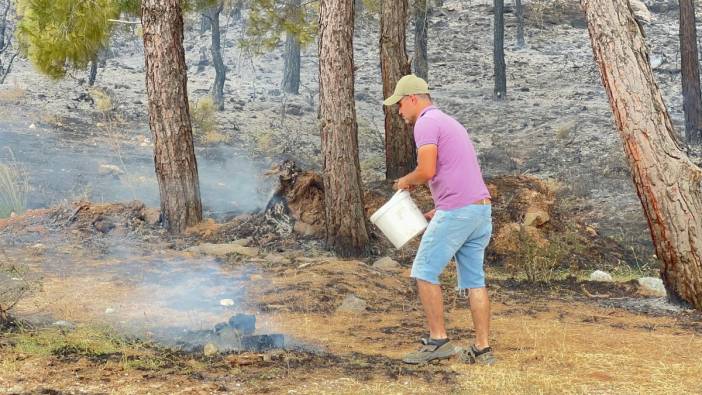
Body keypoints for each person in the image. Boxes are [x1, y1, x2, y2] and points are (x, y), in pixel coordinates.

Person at [383, 74, 496, 365]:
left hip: (459, 211)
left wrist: (404, 182)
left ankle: (438, 341)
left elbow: (427, 170)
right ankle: (482, 349)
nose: (398, 112)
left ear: (412, 99)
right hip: (479, 210)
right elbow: (459, 170)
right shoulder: (448, 121)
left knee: (423, 270)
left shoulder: (426, 123)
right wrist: (441, 207)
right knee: (474, 280)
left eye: (399, 105)